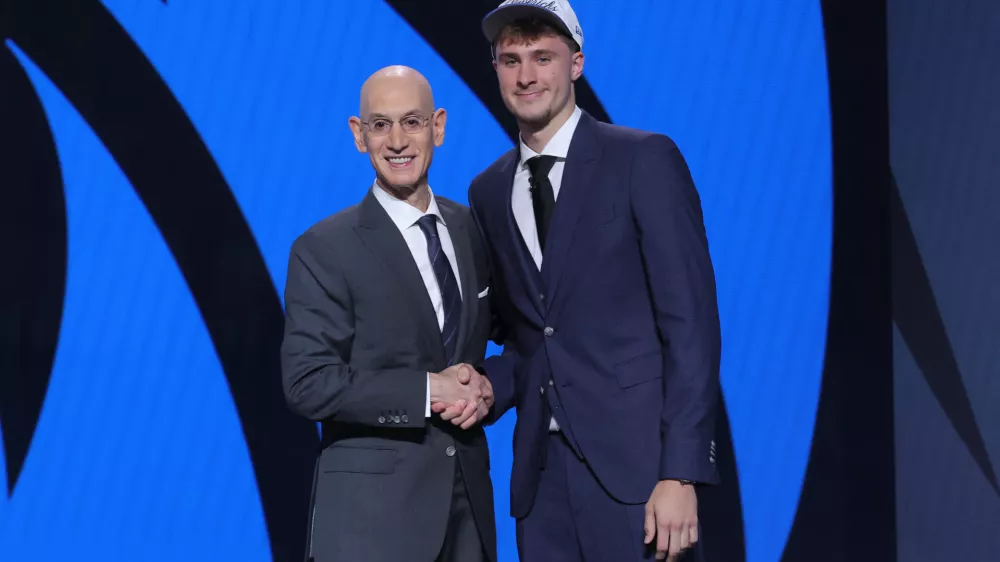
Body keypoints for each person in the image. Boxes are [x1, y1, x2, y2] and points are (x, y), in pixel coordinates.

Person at [461, 1, 724, 560]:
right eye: (511, 60)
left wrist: (680, 473)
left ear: (576, 64)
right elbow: (529, 338)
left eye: (542, 57)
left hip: (640, 476)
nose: (526, 75)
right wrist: (482, 386)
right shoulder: (487, 192)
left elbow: (691, 325)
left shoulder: (642, 159)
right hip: (542, 483)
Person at [280, 65, 498, 562]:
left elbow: (505, 338)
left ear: (438, 126)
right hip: (369, 527)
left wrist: (486, 384)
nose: (397, 140)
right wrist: (427, 390)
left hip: (468, 520)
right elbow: (308, 382)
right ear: (359, 136)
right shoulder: (324, 249)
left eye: (413, 121)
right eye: (380, 125)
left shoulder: (470, 231)